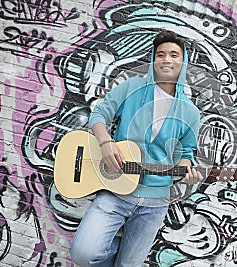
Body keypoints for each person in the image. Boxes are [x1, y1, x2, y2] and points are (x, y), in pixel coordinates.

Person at [70, 30, 203, 267]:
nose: (167, 59)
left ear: (183, 63)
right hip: (115, 191)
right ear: (153, 59)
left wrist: (186, 169)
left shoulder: (191, 112)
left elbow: (187, 153)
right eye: (160, 54)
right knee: (83, 253)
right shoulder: (131, 88)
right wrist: (106, 142)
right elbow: (99, 114)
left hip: (156, 204)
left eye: (174, 54)